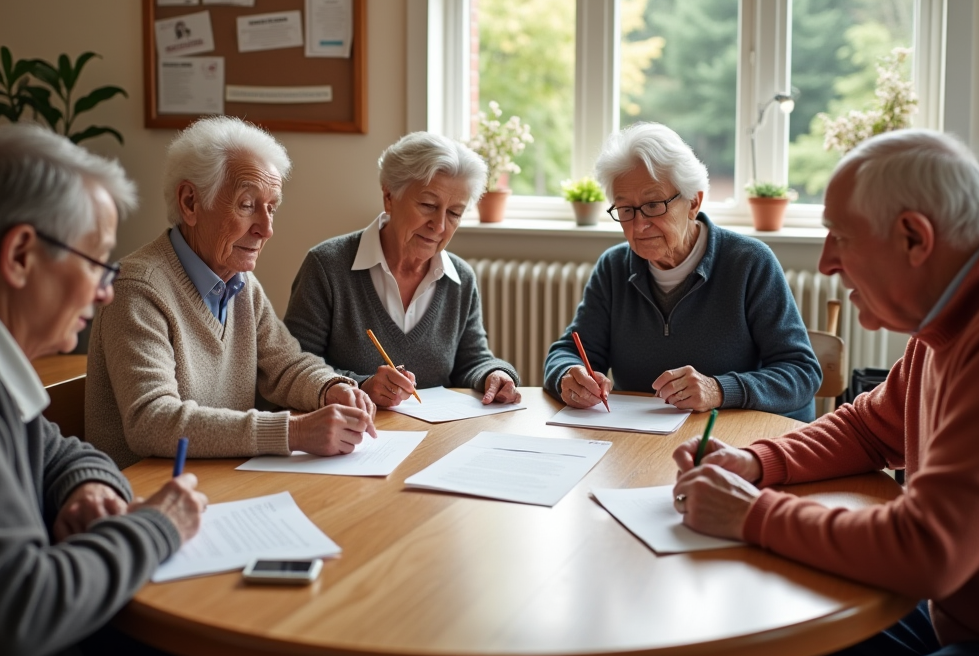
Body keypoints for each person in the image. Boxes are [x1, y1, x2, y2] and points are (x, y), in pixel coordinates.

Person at [672, 129, 979, 656]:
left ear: (913, 238)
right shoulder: (958, 316)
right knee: (752, 637)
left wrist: (751, 514)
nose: (827, 262)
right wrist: (755, 462)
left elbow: (929, 550)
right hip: (968, 617)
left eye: (840, 235)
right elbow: (867, 429)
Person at [0, 125, 209, 656]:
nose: (106, 291)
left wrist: (86, 487)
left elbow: (57, 450)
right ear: (21, 253)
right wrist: (158, 525)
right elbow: (14, 613)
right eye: (97, 261)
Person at [87, 116, 376, 469]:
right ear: (190, 203)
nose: (266, 229)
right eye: (247, 204)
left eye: (272, 207)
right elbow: (152, 420)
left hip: (223, 479)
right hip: (149, 495)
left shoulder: (240, 283)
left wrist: (330, 387)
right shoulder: (137, 288)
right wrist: (293, 432)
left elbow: (285, 366)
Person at [543, 122, 821, 422]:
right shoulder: (613, 267)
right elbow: (569, 352)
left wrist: (719, 389)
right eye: (625, 210)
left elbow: (801, 373)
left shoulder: (749, 263)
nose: (638, 226)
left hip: (730, 442)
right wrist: (568, 376)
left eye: (653, 205)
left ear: (693, 202)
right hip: (639, 442)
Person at [284, 131, 519, 408]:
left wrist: (495, 374)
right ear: (389, 197)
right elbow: (293, 369)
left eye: (454, 213)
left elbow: (472, 360)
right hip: (354, 438)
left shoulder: (461, 278)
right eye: (428, 205)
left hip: (435, 436)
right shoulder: (327, 267)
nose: (440, 226)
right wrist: (362, 385)